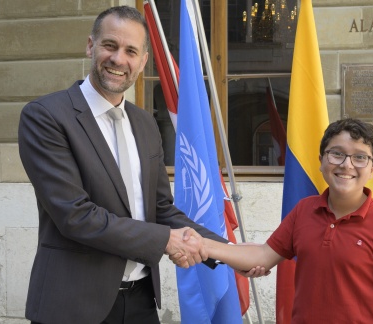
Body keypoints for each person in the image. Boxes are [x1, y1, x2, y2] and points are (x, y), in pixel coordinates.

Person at [18, 6, 261, 324]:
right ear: (91, 46)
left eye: (131, 51)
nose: (119, 60)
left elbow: (162, 210)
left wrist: (228, 252)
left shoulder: (145, 124)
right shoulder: (46, 117)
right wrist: (166, 241)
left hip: (141, 303)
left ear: (143, 61)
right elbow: (76, 216)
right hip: (72, 306)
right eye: (110, 46)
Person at [203, 118, 373, 324]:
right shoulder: (304, 210)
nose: (346, 165)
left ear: (372, 169)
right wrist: (201, 244)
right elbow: (263, 255)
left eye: (360, 157)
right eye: (337, 154)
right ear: (321, 160)